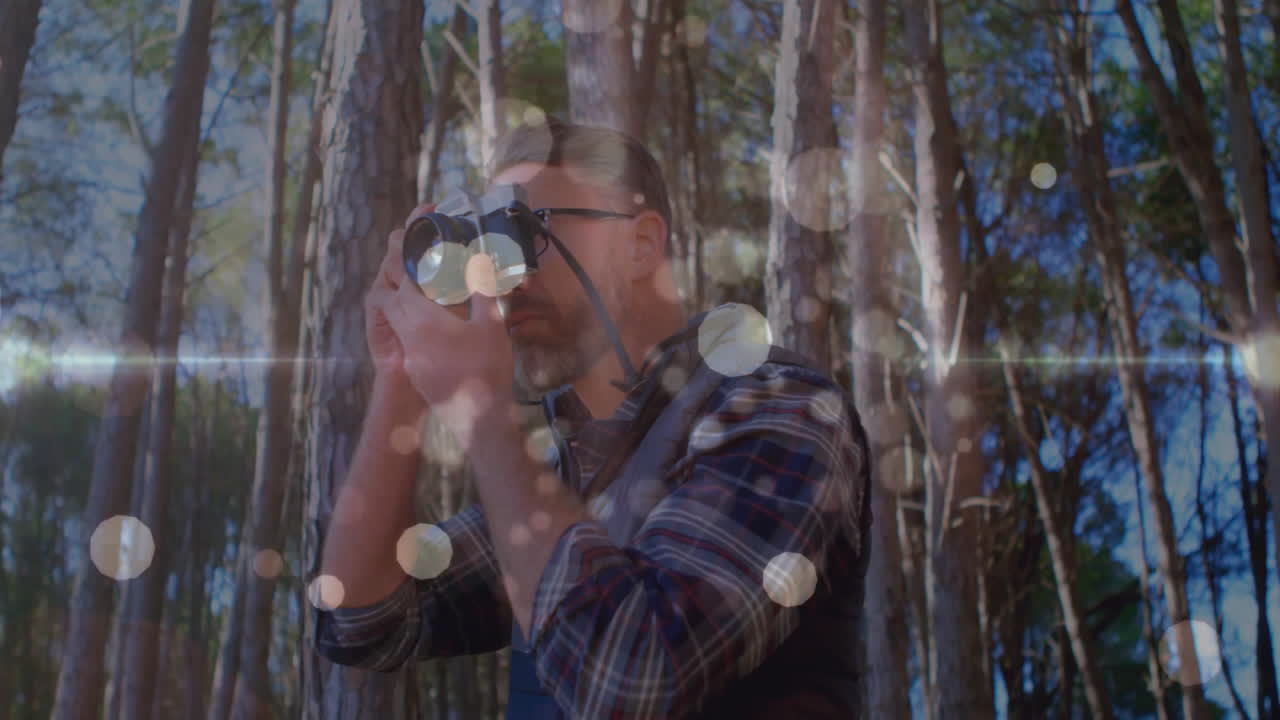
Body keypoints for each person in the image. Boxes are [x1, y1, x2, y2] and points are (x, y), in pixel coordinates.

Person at [313, 117, 872, 719]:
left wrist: (482, 417)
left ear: (640, 245)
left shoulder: (777, 406)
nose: (503, 278)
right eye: (485, 247)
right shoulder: (565, 475)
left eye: (524, 229)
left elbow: (633, 680)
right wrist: (401, 380)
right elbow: (363, 621)